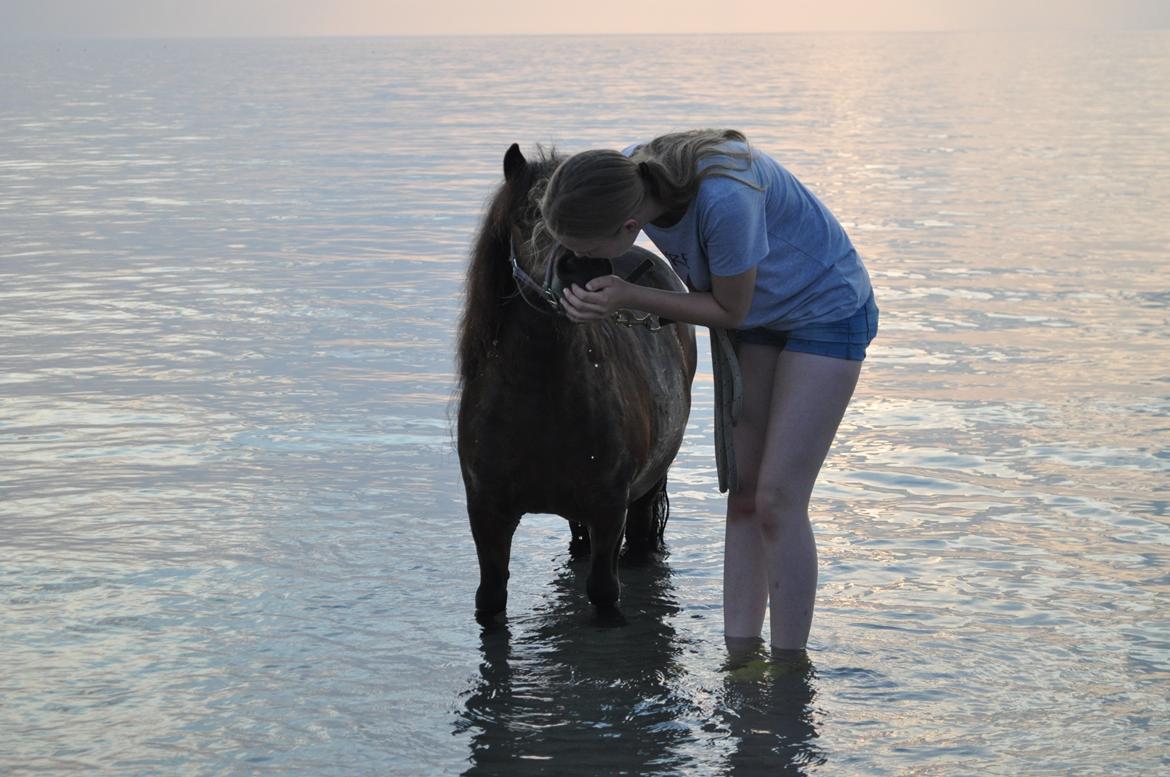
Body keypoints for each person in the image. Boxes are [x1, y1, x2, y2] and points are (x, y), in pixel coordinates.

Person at [538, 129, 878, 652]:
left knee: (778, 500)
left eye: (585, 250)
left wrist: (629, 294)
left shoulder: (725, 200)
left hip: (826, 312)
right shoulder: (623, 177)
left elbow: (728, 310)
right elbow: (737, 311)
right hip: (759, 318)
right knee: (743, 495)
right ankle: (740, 658)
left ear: (630, 227)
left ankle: (790, 669)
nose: (578, 258)